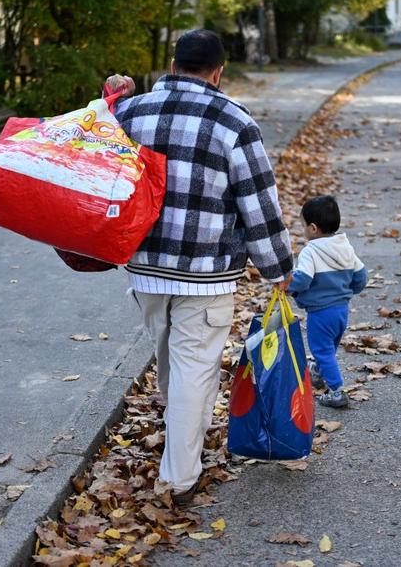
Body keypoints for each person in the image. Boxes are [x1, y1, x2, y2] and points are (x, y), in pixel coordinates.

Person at [106, 29, 293, 504]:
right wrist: (278, 268)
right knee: (193, 370)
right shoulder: (235, 123)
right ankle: (179, 478)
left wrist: (111, 96)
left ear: (172, 66)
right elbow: (259, 206)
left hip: (144, 267)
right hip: (205, 275)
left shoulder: (132, 111)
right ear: (218, 72)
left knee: (173, 364)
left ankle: (179, 443)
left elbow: (96, 157)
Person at [287, 195, 367, 409]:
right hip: (341, 311)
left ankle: (336, 391)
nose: (303, 230)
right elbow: (361, 276)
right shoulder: (345, 247)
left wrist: (288, 287)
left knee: (322, 350)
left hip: (320, 313)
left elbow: (302, 279)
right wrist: (349, 291)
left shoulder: (310, 251)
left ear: (313, 228)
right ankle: (318, 373)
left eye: (303, 225)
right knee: (328, 349)